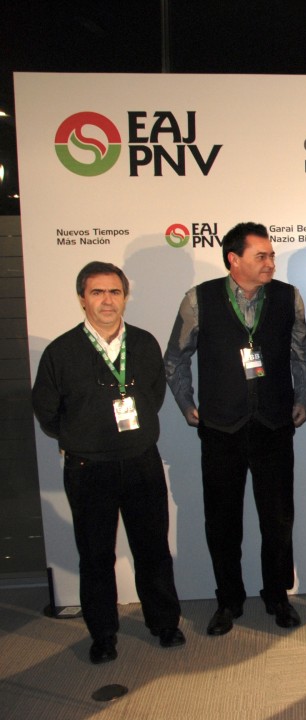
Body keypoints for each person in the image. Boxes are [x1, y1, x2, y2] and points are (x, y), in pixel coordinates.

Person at [164, 221, 306, 634]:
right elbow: (175, 357)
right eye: (261, 256)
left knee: (278, 520)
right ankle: (228, 601)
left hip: (274, 426)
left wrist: (302, 399)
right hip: (220, 429)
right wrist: (187, 404)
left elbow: (303, 354)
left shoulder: (288, 297)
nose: (271, 263)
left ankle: (277, 596)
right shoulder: (198, 299)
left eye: (272, 255)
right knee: (222, 522)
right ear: (234, 259)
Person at [32, 262, 184, 664]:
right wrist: (80, 436)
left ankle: (164, 623)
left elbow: (154, 396)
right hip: (88, 468)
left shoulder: (144, 343)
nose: (107, 300)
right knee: (96, 555)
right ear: (82, 299)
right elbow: (46, 411)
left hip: (140, 461)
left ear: (125, 297)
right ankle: (103, 634)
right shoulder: (61, 351)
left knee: (152, 549)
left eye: (114, 292)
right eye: (97, 292)